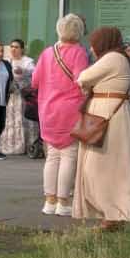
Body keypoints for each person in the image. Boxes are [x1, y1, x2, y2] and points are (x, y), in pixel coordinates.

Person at [74, 25, 130, 229]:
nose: (91, 49)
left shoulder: (113, 58)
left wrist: (88, 82)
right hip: (108, 114)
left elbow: (83, 78)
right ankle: (112, 215)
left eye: (94, 44)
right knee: (107, 167)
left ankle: (116, 214)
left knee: (102, 168)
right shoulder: (117, 58)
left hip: (110, 116)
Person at [35, 14, 90, 216]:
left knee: (52, 156)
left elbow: (35, 80)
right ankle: (63, 202)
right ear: (79, 32)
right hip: (70, 110)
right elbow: (82, 80)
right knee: (69, 155)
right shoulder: (79, 53)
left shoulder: (47, 53)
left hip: (47, 109)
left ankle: (49, 202)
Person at [0, 38, 33, 156]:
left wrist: (23, 71)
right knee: (10, 119)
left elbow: (34, 75)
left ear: (22, 49)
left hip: (23, 96)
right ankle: (11, 144)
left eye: (16, 47)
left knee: (22, 119)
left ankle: (24, 145)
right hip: (10, 96)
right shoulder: (6, 61)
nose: (13, 49)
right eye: (12, 47)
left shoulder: (27, 61)